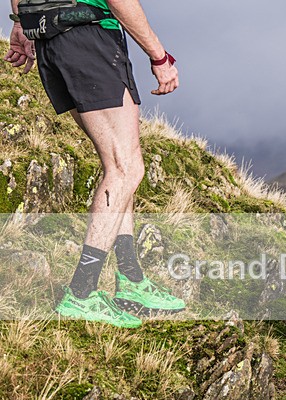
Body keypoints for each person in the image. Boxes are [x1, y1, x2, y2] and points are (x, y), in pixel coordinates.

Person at [5, 0, 184, 327]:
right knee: (125, 167)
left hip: (51, 42)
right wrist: (159, 56)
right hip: (88, 37)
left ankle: (131, 279)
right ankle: (82, 292)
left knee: (120, 162)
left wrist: (21, 23)